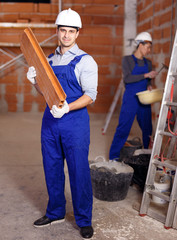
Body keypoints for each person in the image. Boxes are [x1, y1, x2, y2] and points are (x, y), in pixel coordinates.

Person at [26, 8, 98, 239]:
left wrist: (67, 107)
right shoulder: (47, 60)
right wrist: (35, 82)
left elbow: (90, 95)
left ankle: (84, 220)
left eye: (71, 31)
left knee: (78, 171)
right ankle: (55, 212)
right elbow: (46, 92)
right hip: (50, 121)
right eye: (63, 30)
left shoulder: (86, 61)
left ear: (77, 33)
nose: (66, 35)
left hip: (74, 122)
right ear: (57, 31)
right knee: (52, 168)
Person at [109, 32, 157, 161]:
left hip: (144, 98)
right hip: (130, 98)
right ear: (140, 45)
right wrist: (147, 75)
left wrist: (149, 85)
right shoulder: (127, 60)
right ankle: (113, 157)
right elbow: (128, 78)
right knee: (124, 127)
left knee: (147, 128)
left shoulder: (148, 63)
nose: (149, 50)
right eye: (147, 46)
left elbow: (147, 81)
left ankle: (147, 155)